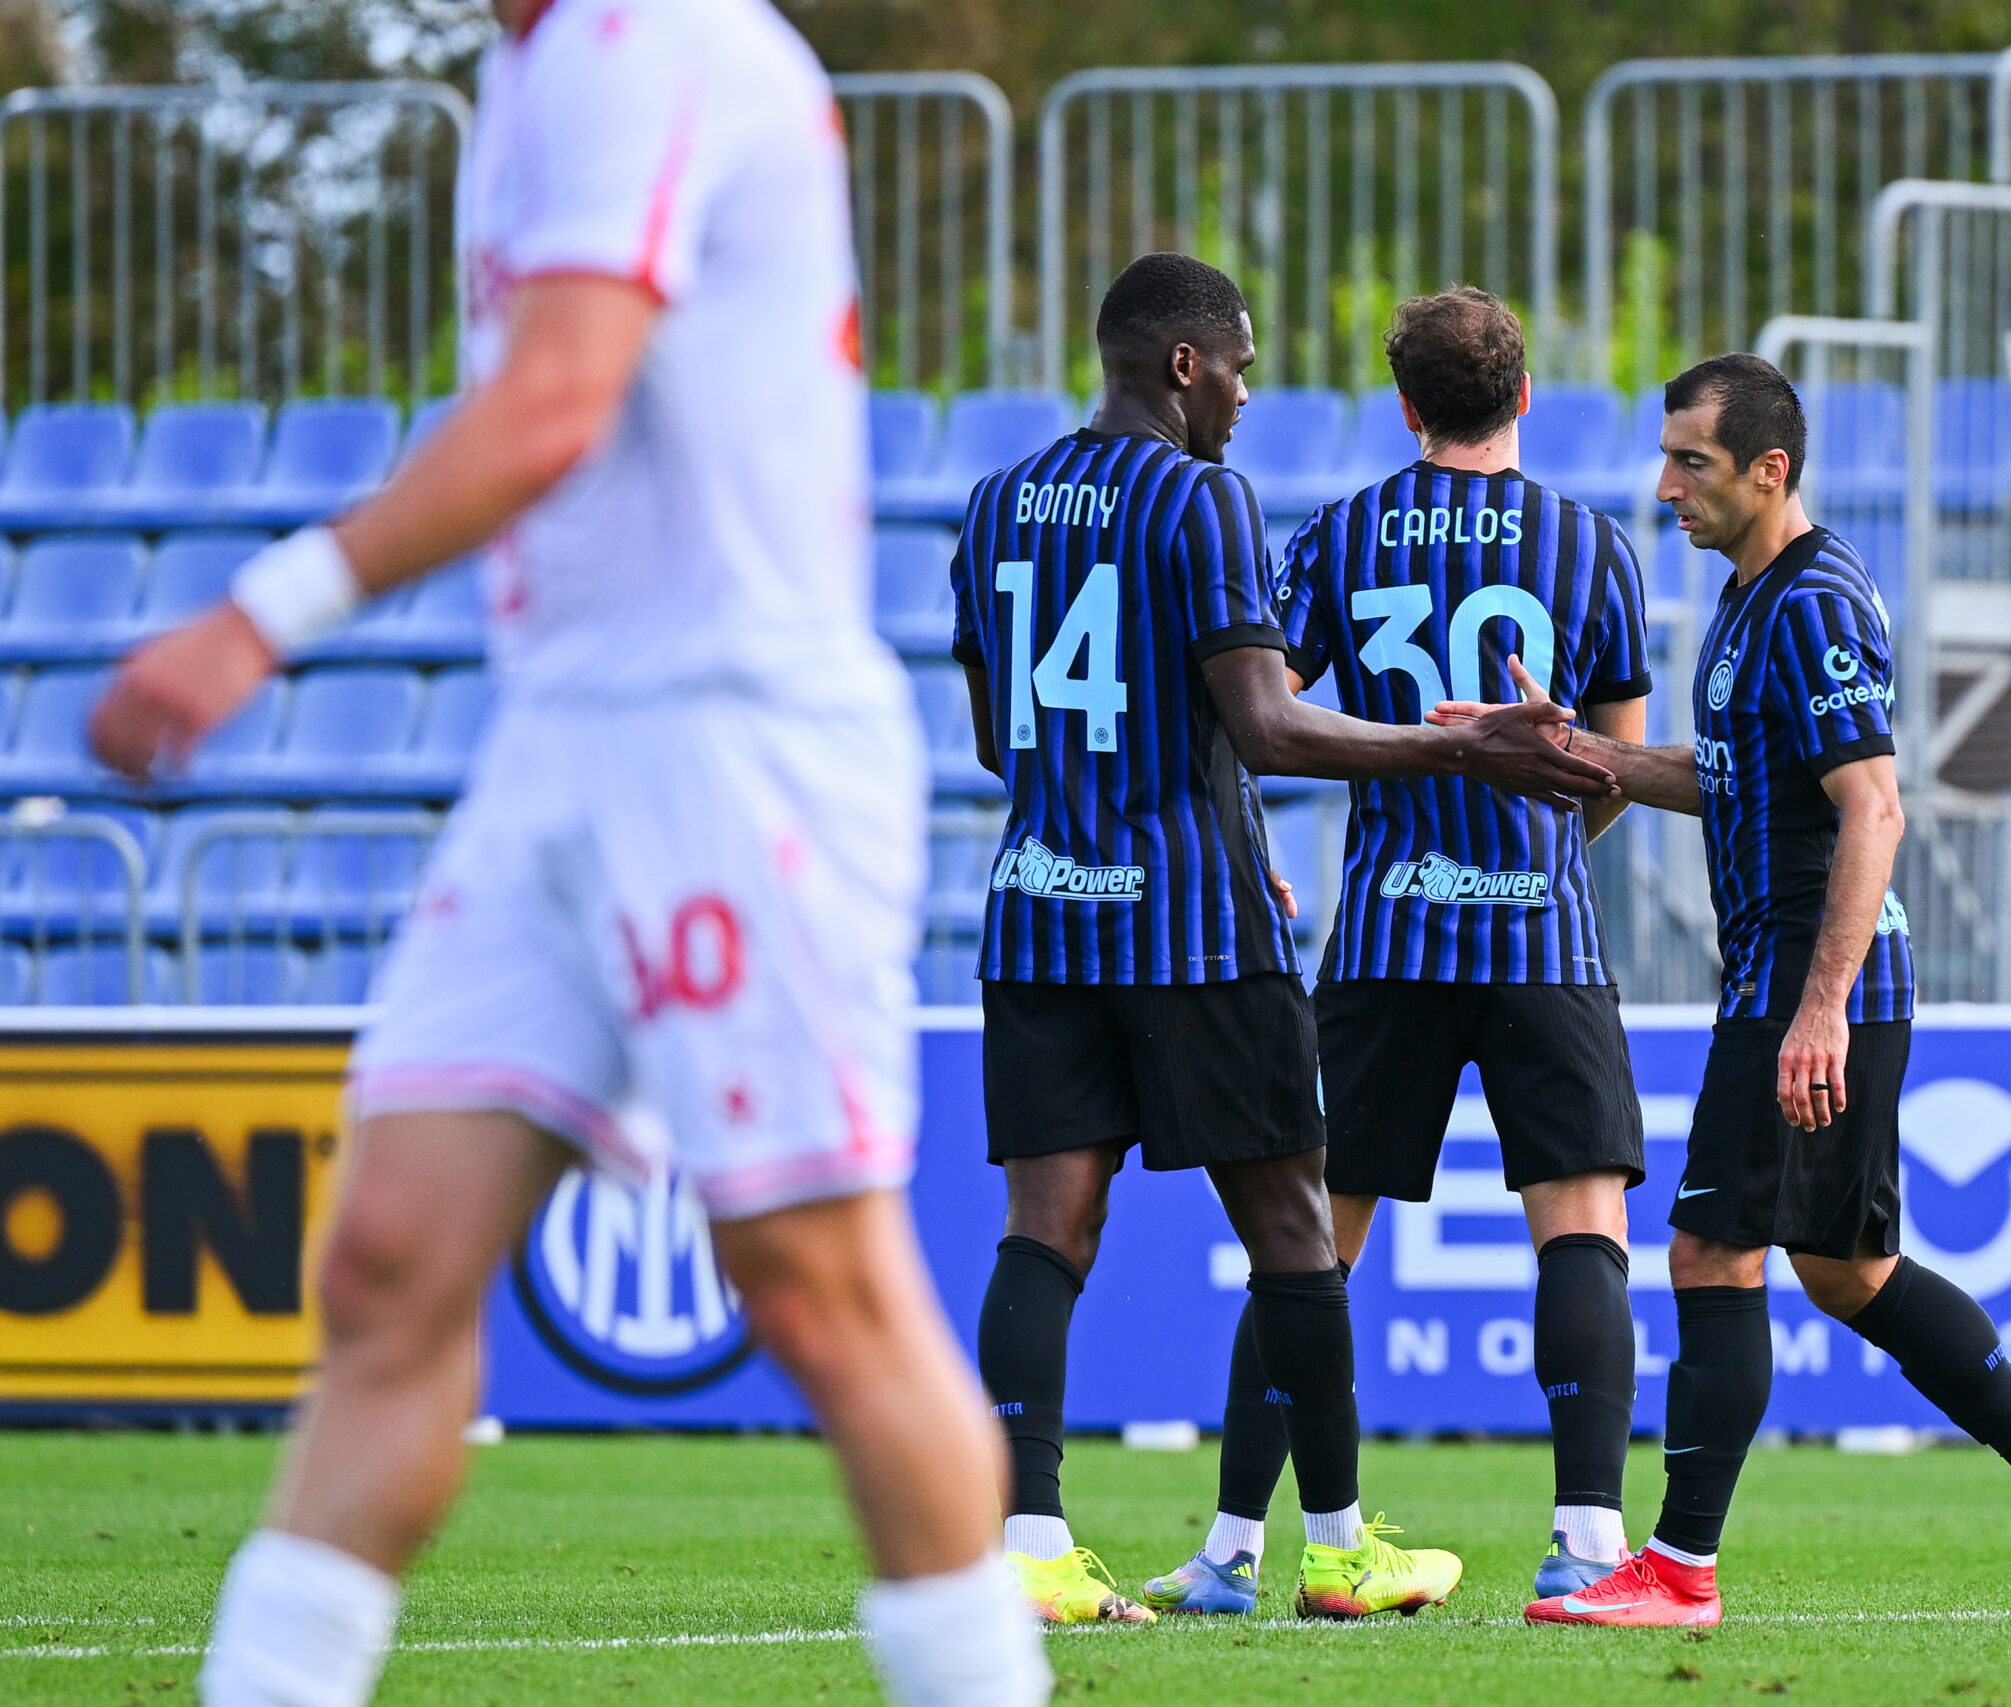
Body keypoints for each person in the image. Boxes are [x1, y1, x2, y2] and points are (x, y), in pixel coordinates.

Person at [89, 2, 1050, 1702]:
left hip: (729, 736)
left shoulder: (646, 36)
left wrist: (258, 616)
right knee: (389, 1264)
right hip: (559, 739)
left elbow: (553, 403)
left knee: (815, 1285)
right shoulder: (533, 61)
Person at [1438, 353, 2011, 1629]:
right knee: (1845, 1272)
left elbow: (1872, 807)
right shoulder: (1748, 595)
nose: (1667, 486)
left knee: (1712, 1251)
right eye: (1666, 458)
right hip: (1809, 976)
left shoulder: (1814, 601)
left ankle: (1680, 1570)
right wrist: (1585, 751)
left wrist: (1818, 1009)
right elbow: (1732, 776)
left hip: (1808, 977)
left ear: (1770, 470)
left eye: (1693, 463)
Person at [952, 252, 1616, 1626]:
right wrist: (1468, 749)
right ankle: (1338, 1547)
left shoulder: (996, 500)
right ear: (1182, 364)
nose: (1248, 395)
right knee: (1297, 1232)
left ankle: (1031, 1542)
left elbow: (994, 738)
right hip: (1193, 925)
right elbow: (1266, 726)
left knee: (1044, 1231)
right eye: (1239, 366)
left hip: (1039, 908)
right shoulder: (1203, 498)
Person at [1138, 286, 1653, 1617]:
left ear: (1407, 407)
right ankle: (1588, 1544)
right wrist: (1546, 834)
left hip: (1385, 936)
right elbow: (1618, 764)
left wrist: (1250, 847)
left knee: (1309, 1244)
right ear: (1524, 395)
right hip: (1541, 932)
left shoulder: (1340, 534)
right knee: (1581, 1228)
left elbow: (1255, 714)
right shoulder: (1592, 545)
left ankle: (1231, 1550)